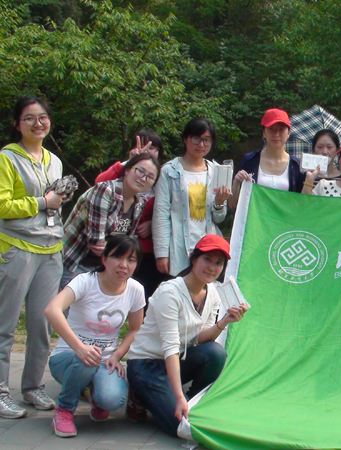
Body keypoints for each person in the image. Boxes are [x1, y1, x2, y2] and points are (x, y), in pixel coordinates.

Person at [125, 234, 246, 436]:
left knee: (215, 353)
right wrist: (179, 397)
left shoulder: (213, 293)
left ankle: (189, 402)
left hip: (177, 360)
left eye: (219, 263)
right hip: (147, 365)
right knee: (182, 427)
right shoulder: (170, 292)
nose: (212, 267)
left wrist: (224, 321)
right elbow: (170, 347)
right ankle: (141, 394)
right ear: (193, 259)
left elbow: (199, 339)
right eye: (207, 259)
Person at [0, 97, 66, 418]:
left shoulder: (54, 160)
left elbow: (56, 202)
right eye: (29, 118)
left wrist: (55, 202)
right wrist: (42, 202)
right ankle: (0, 391)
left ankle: (32, 387)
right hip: (17, 247)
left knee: (42, 324)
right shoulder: (7, 158)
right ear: (17, 124)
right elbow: (2, 205)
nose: (37, 123)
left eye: (42, 117)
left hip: (50, 250)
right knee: (6, 323)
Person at [44, 235, 145, 437]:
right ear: (104, 258)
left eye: (131, 260)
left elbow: (135, 328)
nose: (124, 265)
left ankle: (91, 393)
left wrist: (117, 355)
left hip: (105, 361)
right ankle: (64, 409)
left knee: (112, 400)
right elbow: (52, 309)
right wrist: (79, 348)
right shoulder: (85, 281)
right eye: (117, 257)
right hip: (68, 358)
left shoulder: (135, 289)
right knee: (87, 360)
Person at [61, 153, 159, 288]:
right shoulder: (105, 190)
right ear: (127, 170)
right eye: (140, 171)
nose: (143, 178)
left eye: (150, 177)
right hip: (75, 263)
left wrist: (117, 254)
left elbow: (127, 244)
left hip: (103, 268)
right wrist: (119, 253)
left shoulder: (139, 203)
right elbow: (96, 242)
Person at [152, 118, 230, 277]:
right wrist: (161, 253)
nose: (201, 144)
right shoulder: (169, 171)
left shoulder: (217, 171)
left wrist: (219, 203)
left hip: (209, 248)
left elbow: (219, 218)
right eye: (196, 138)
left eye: (206, 140)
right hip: (179, 247)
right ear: (185, 139)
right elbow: (161, 213)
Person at [95, 130, 166, 298]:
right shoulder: (126, 174)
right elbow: (99, 184)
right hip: (116, 247)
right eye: (143, 146)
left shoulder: (162, 179)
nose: (148, 151)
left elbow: (170, 211)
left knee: (143, 294)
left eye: (153, 148)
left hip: (148, 250)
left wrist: (152, 224)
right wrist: (129, 162)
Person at [229, 109, 303, 209]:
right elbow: (232, 204)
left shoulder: (296, 166)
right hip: (254, 218)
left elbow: (301, 203)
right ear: (264, 132)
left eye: (281, 129)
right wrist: (236, 183)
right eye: (271, 129)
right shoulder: (250, 160)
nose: (276, 134)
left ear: (288, 133)